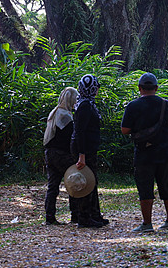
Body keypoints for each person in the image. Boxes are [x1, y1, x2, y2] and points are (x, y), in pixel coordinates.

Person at [121, 72, 168, 233]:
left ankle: (147, 223)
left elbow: (125, 130)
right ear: (156, 88)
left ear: (140, 88)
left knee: (145, 188)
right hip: (165, 153)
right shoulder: (166, 104)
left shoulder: (132, 106)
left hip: (143, 154)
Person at [71, 74, 109, 228]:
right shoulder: (85, 105)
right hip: (84, 150)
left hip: (88, 149)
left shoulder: (87, 103)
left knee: (92, 182)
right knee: (86, 183)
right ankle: (84, 217)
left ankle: (94, 214)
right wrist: (82, 155)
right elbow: (80, 131)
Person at [43, 86, 79, 225]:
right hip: (61, 154)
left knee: (53, 185)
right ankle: (75, 215)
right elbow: (69, 138)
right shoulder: (65, 116)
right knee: (73, 182)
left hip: (50, 153)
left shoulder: (55, 112)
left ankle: (49, 216)